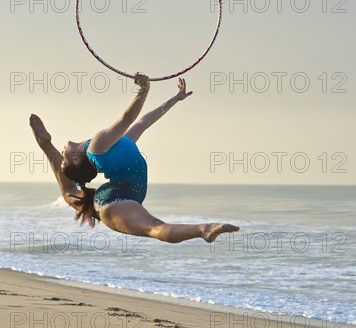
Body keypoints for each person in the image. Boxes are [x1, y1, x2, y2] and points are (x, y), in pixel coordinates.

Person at [29, 73, 239, 243]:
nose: (63, 149)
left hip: (125, 194)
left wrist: (175, 99)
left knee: (70, 194)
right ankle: (205, 230)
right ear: (76, 159)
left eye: (61, 157)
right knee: (154, 227)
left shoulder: (111, 146)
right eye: (63, 156)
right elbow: (128, 118)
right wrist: (143, 90)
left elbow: (143, 122)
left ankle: (45, 144)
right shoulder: (97, 146)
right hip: (118, 199)